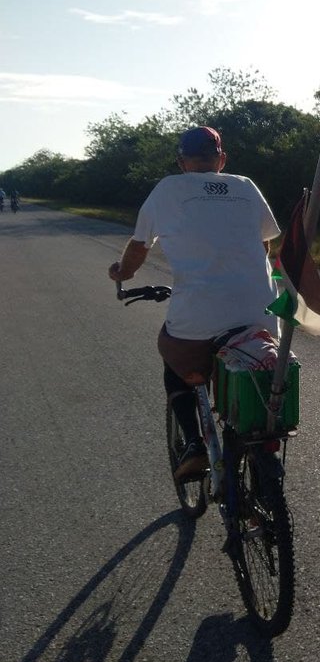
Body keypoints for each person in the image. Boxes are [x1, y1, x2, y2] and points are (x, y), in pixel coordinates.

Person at [108, 126, 281, 482]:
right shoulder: (246, 186)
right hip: (261, 310)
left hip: (199, 315)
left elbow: (140, 246)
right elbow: (263, 245)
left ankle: (193, 445)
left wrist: (121, 272)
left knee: (175, 360)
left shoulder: (168, 188)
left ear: (181, 161)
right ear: (222, 159)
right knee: (250, 361)